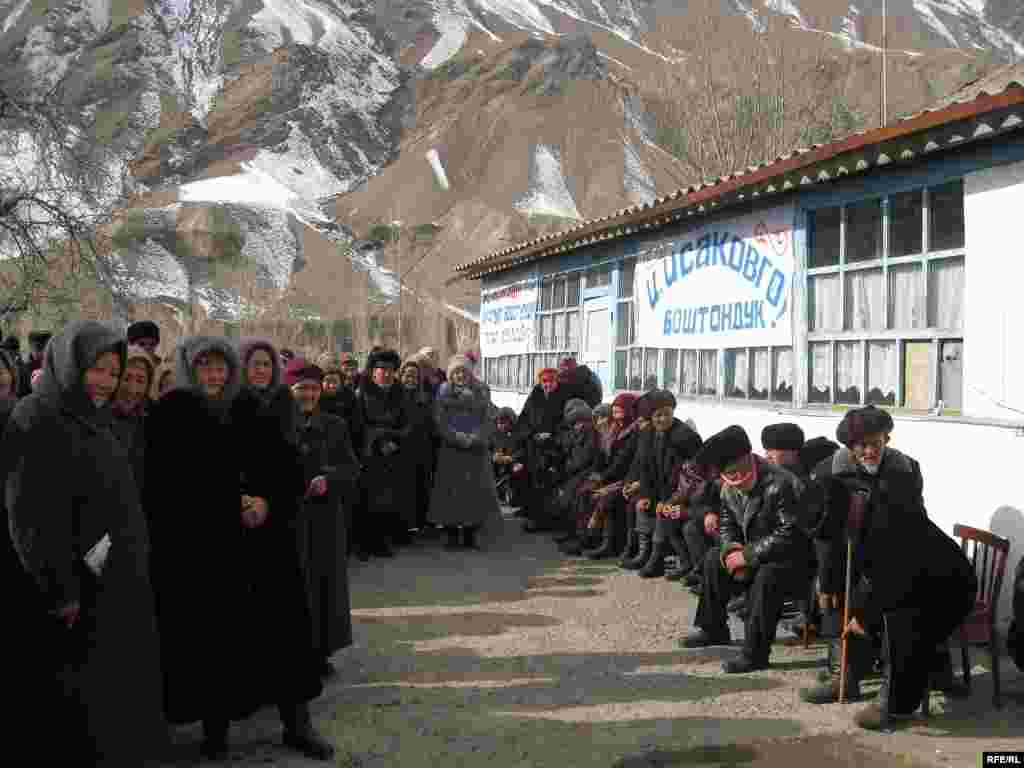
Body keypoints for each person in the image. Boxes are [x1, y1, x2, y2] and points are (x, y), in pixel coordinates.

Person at [145, 336, 331, 760]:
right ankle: (216, 732)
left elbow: (285, 467)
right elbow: (163, 486)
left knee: (284, 637)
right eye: (204, 367)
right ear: (190, 369)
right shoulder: (171, 414)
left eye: (220, 367)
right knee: (216, 643)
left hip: (263, 544)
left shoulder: (249, 408)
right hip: (206, 551)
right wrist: (224, 504)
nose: (213, 375)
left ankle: (297, 724)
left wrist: (267, 500)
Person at [6, 321, 166, 766]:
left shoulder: (94, 417)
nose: (106, 381)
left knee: (115, 698)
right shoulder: (36, 416)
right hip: (77, 591)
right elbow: (30, 515)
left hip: (116, 585)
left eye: (112, 372)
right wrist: (62, 590)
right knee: (76, 707)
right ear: (67, 364)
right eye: (96, 369)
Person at [808, 406, 977, 729]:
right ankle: (845, 676)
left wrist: (870, 611)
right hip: (857, 557)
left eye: (877, 443)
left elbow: (906, 538)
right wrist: (829, 583)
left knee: (902, 616)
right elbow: (826, 536)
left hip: (913, 561)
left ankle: (898, 697)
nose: (870, 451)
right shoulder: (828, 472)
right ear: (849, 445)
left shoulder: (905, 470)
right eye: (861, 445)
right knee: (836, 599)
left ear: (887, 439)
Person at [681, 425, 811, 674]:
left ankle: (755, 653)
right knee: (712, 559)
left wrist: (748, 556)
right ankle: (713, 628)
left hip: (791, 560)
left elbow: (791, 533)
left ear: (749, 458)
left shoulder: (781, 483)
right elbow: (728, 522)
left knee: (767, 576)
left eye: (739, 469)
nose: (736, 476)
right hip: (754, 552)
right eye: (729, 472)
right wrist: (731, 550)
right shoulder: (728, 487)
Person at [286, 357, 359, 676]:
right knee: (294, 586)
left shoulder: (335, 425)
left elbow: (352, 469)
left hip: (325, 517)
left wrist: (329, 478)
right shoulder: (277, 424)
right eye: (302, 389)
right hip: (289, 517)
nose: (309, 395)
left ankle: (321, 651)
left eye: (314, 389)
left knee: (324, 585)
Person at [430, 354, 502, 549]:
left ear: (470, 374)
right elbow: (439, 421)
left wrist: (476, 437)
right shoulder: (444, 394)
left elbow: (489, 420)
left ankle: (470, 536)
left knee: (473, 494)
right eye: (456, 372)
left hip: (475, 451)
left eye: (464, 371)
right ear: (450, 375)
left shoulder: (480, 393)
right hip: (451, 450)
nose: (460, 375)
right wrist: (456, 437)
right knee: (451, 494)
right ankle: (452, 536)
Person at [630, 391, 703, 578]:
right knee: (641, 505)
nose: (662, 419)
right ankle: (645, 553)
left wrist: (668, 500)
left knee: (666, 513)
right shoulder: (648, 434)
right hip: (659, 491)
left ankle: (659, 559)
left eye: (667, 413)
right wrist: (645, 494)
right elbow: (645, 467)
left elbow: (689, 477)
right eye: (657, 415)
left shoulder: (685, 437)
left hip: (685, 496)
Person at [353, 348, 415, 557]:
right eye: (382, 369)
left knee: (388, 499)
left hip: (394, 452)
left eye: (391, 370)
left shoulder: (401, 393)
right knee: (367, 500)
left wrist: (396, 441)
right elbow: (359, 425)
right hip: (370, 453)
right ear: (373, 371)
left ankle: (382, 541)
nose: (387, 374)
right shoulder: (362, 393)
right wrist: (379, 440)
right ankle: (364, 543)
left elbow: (408, 424)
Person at [581, 393, 640, 559]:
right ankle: (589, 538)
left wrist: (604, 480)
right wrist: (597, 475)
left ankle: (609, 545)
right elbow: (603, 457)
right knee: (586, 489)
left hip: (628, 479)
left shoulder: (634, 432)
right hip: (614, 476)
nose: (617, 419)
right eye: (614, 413)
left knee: (606, 499)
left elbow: (623, 462)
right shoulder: (614, 430)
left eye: (620, 413)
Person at [516, 367, 569, 532]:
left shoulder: (563, 398)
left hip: (552, 449)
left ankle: (545, 521)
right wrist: (531, 435)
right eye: (544, 381)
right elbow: (523, 419)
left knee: (547, 486)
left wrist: (551, 435)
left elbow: (566, 423)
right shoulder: (534, 396)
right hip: (534, 447)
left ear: (556, 382)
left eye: (550, 381)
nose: (547, 385)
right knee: (532, 484)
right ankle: (533, 517)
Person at [110, 345, 156, 495]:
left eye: (141, 380)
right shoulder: (93, 421)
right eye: (126, 378)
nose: (132, 389)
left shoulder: (149, 424)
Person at [238, 338, 301, 445]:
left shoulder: (284, 397)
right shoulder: (232, 398)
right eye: (255, 364)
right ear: (244, 367)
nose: (261, 370)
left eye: (266, 364)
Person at [400, 359, 436, 531]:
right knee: (405, 488)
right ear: (401, 376)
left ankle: (422, 522)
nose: (410, 379)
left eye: (414, 376)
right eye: (407, 375)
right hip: (402, 448)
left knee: (422, 486)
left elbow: (432, 422)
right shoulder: (395, 396)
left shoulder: (425, 396)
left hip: (423, 447)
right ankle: (406, 523)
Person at [492, 407, 525, 507]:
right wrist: (494, 456)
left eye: (503, 423)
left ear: (511, 421)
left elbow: (524, 451)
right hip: (499, 468)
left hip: (514, 467)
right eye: (498, 423)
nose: (500, 426)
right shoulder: (496, 435)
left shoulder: (520, 434)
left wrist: (511, 458)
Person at [17, 330, 51, 397]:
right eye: (39, 348)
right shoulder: (22, 366)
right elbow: (20, 392)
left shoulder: (53, 363)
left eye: (47, 348)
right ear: (31, 347)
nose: (43, 353)